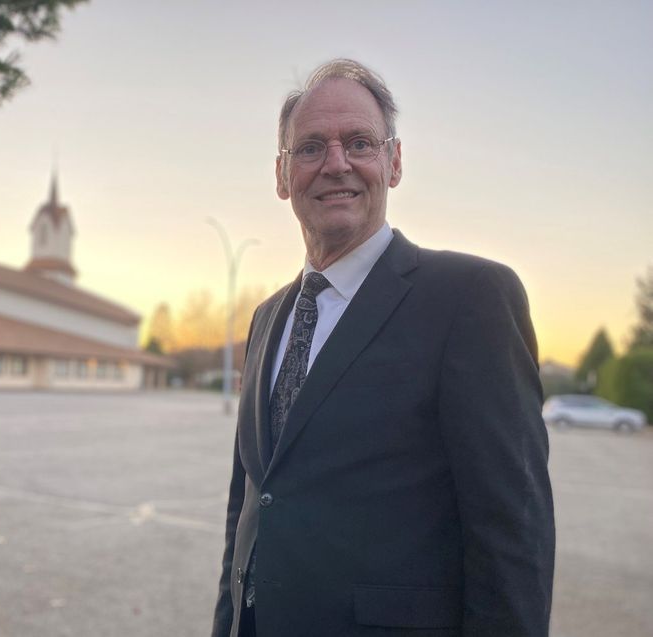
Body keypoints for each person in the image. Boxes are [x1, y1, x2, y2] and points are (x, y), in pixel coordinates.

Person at [211, 59, 555, 637]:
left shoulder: (469, 299)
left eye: (360, 143)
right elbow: (247, 505)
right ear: (281, 174)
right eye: (311, 147)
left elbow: (511, 534)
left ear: (393, 163)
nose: (336, 163)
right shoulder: (267, 318)